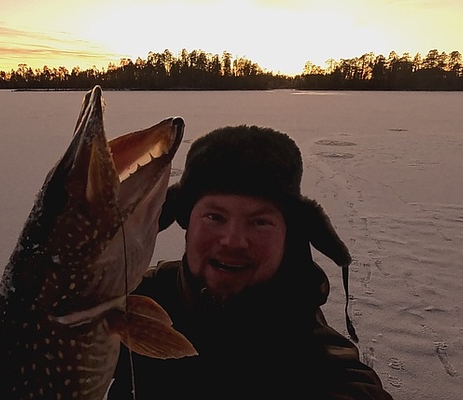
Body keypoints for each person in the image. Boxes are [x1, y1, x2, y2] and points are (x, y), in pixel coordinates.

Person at [107, 125, 393, 399]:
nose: (233, 240)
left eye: (259, 222)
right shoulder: (126, 304)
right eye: (215, 217)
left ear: (290, 234)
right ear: (186, 220)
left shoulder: (314, 353)